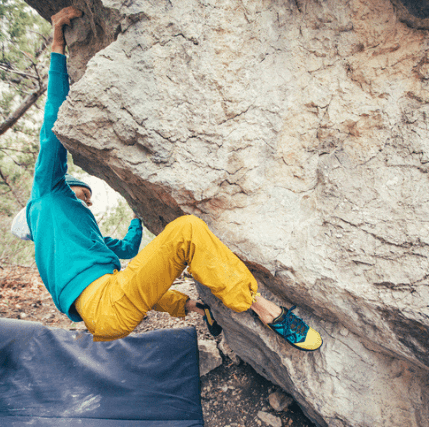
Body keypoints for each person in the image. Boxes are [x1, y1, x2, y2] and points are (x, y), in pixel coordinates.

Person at [26, 6, 322, 352]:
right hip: (105, 307)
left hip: (107, 310)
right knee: (188, 231)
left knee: (136, 278)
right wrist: (57, 47)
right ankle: (264, 308)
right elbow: (52, 127)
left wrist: (137, 215)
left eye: (88, 200)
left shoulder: (67, 243)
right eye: (84, 195)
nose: (86, 201)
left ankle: (196, 309)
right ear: (68, 183)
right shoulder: (47, 191)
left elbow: (127, 251)